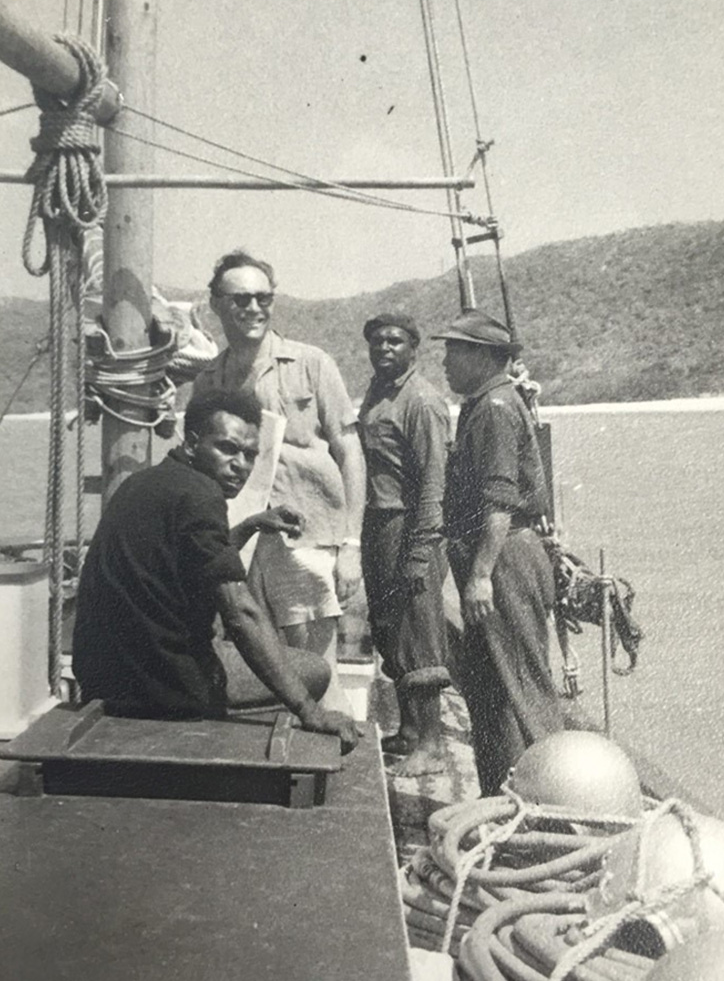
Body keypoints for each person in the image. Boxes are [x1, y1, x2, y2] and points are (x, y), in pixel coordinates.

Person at [72, 387, 360, 754]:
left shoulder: (147, 482)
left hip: (103, 677)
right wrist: (309, 710)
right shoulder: (201, 496)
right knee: (315, 671)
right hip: (162, 686)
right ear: (192, 443)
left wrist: (251, 525)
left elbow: (189, 562)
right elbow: (241, 613)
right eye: (227, 448)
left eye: (250, 454)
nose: (240, 464)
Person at [193, 252, 366, 716]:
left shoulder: (312, 363)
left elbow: (350, 451)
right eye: (241, 298)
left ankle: (343, 773)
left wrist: (351, 545)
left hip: (306, 539)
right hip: (241, 542)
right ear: (216, 304)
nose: (254, 308)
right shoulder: (207, 380)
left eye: (263, 297)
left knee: (317, 667)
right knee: (264, 666)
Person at [433, 310, 563, 794]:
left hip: (504, 558)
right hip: (493, 555)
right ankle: (499, 801)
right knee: (488, 689)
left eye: (454, 351)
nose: (444, 362)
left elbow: (499, 503)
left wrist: (482, 574)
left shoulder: (494, 409)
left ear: (485, 357)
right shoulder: (482, 404)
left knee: (523, 686)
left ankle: (557, 802)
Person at [358, 313, 451, 776]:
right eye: (377, 342)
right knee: (389, 626)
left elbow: (435, 481)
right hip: (378, 522)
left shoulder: (422, 401)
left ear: (414, 348)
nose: (385, 348)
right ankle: (411, 730)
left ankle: (432, 745)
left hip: (411, 526)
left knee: (419, 631)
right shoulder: (378, 394)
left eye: (395, 341)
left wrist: (420, 551)